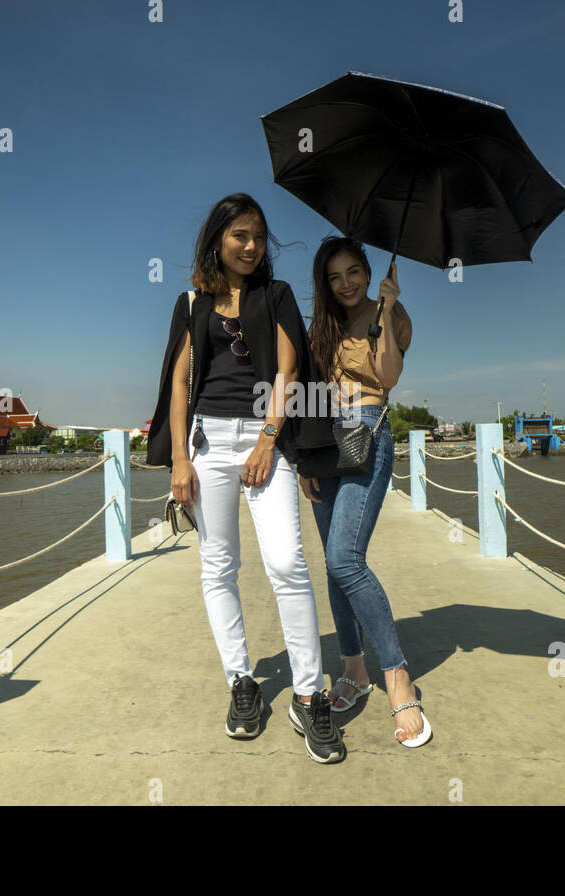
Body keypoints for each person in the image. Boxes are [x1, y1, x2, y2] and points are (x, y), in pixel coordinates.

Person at [145, 194, 345, 764]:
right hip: (207, 443)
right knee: (218, 565)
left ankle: (308, 695)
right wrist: (181, 461)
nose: (252, 246)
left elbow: (290, 370)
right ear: (217, 239)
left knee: (287, 562)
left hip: (267, 438)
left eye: (258, 236)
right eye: (240, 235)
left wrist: (266, 438)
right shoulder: (192, 301)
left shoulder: (276, 295)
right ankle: (242, 681)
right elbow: (180, 381)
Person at [300, 235, 430, 748]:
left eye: (353, 271)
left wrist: (389, 309)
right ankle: (353, 671)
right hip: (324, 444)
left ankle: (397, 674)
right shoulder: (322, 326)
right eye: (335, 276)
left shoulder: (389, 313)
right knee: (334, 566)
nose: (346, 283)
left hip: (368, 432)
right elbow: (307, 394)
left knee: (345, 558)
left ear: (367, 270)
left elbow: (389, 377)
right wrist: (302, 462)